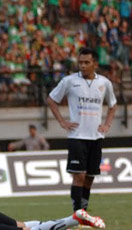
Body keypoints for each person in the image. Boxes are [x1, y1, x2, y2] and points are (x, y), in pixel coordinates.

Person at [47, 47, 117, 212]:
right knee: (79, 176)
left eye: (86, 62)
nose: (83, 66)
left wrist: (107, 125)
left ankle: (83, 211)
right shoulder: (69, 81)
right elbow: (51, 100)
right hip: (77, 136)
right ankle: (76, 213)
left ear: (95, 64)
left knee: (89, 177)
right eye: (80, 62)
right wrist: (63, 122)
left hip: (96, 137)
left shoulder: (104, 83)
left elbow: (113, 105)